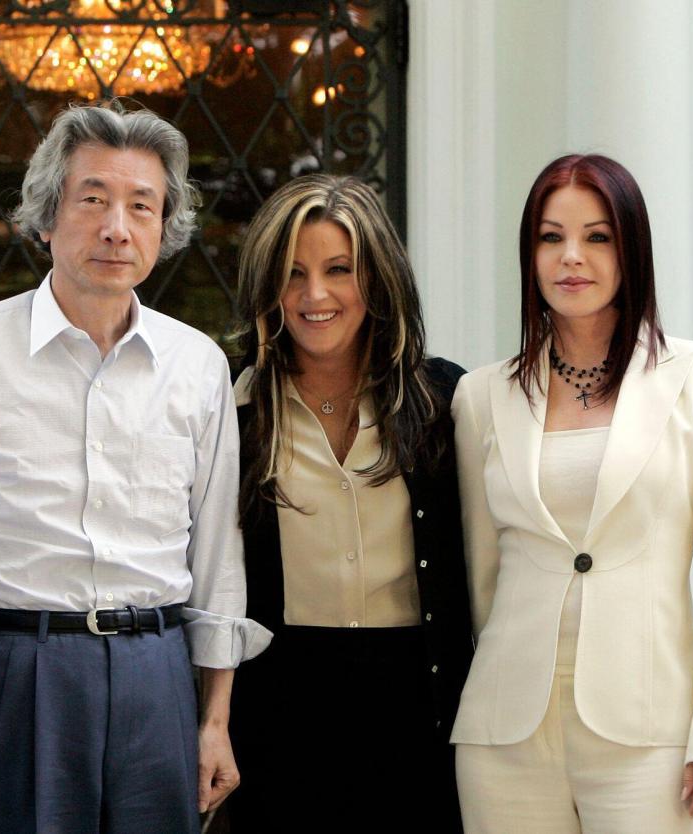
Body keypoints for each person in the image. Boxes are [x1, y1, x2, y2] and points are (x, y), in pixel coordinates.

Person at [0, 100, 271, 834]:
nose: (116, 227)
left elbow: (219, 554)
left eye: (142, 206)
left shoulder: (196, 365)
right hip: (10, 671)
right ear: (46, 216)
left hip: (156, 673)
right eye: (92, 200)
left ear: (164, 230)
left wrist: (215, 718)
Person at [452, 153, 693, 832]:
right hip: (505, 733)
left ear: (632, 250)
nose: (572, 257)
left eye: (597, 237)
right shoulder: (480, 396)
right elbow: (482, 577)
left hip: (650, 734)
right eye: (549, 236)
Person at [226, 174, 473, 831]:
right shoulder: (232, 405)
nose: (315, 295)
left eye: (339, 270)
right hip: (277, 704)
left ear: (379, 279)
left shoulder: (446, 402)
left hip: (418, 700)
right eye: (293, 273)